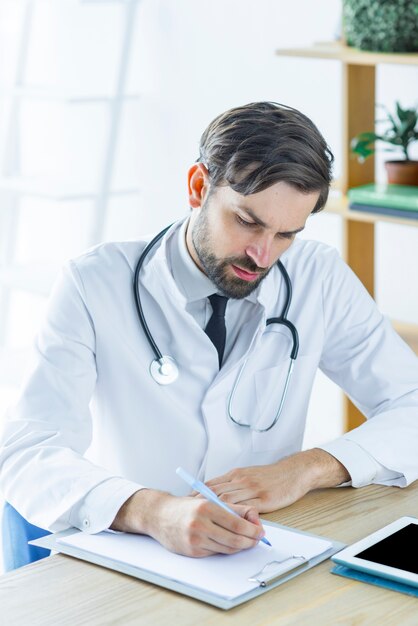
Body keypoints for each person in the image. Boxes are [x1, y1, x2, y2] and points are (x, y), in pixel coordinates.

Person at [1, 102, 417, 559]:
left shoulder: (317, 276)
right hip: (136, 552)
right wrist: (152, 511)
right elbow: (27, 451)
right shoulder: (93, 282)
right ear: (198, 186)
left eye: (286, 235)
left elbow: (411, 405)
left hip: (261, 552)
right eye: (247, 222)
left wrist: (306, 468)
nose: (262, 255)